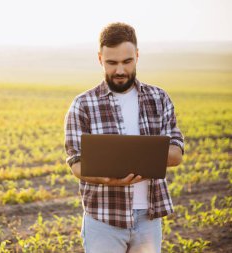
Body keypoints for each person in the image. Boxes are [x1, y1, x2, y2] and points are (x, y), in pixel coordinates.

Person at [64, 22, 184, 253]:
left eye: (127, 61)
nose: (120, 70)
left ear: (137, 56)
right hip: (103, 220)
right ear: (100, 59)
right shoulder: (82, 105)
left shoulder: (159, 98)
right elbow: (76, 165)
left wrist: (133, 152)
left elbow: (176, 154)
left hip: (149, 218)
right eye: (112, 62)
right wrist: (107, 179)